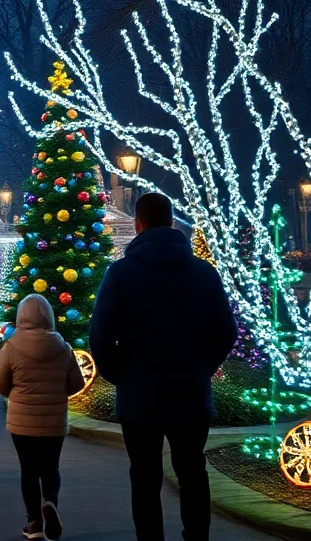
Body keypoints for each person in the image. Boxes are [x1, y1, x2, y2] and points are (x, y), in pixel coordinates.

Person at [89, 192, 236, 541]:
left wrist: (119, 374)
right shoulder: (204, 272)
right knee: (192, 469)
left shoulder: (120, 273)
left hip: (139, 395)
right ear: (172, 222)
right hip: (190, 392)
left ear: (138, 224)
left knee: (143, 476)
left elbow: (100, 334)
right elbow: (225, 332)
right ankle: (197, 536)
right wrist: (202, 366)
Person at [0, 295, 86, 540]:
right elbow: (76, 383)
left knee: (29, 470)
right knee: (51, 466)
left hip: (22, 422)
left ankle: (34, 523)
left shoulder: (11, 347)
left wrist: (16, 393)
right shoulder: (63, 347)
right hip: (54, 421)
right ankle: (51, 501)